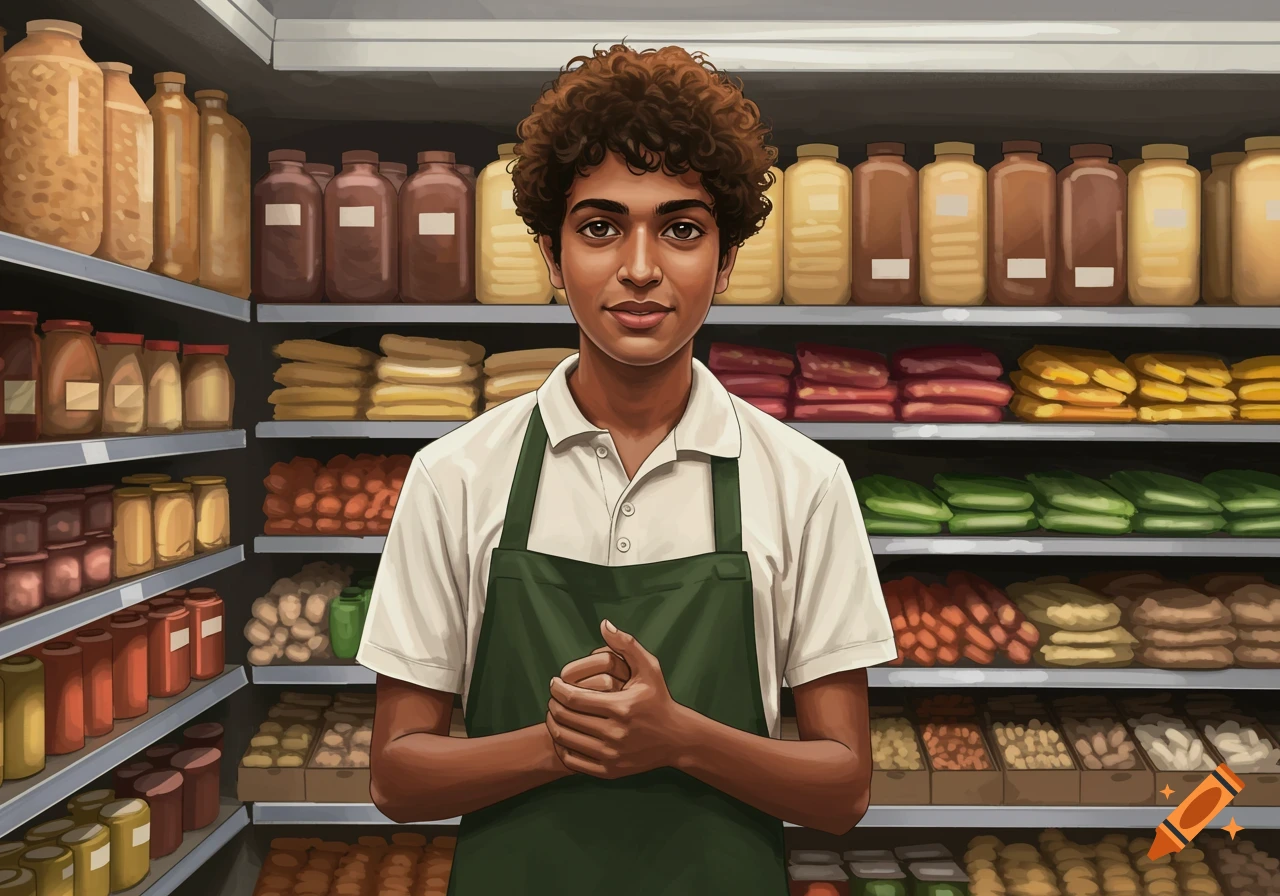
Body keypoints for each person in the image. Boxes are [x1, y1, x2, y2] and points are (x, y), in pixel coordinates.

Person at [360, 43, 895, 895]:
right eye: (600, 227)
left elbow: (843, 791)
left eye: (681, 229)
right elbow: (397, 778)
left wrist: (679, 737)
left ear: (724, 262)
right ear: (552, 256)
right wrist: (566, 742)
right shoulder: (455, 476)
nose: (640, 268)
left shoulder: (805, 483)